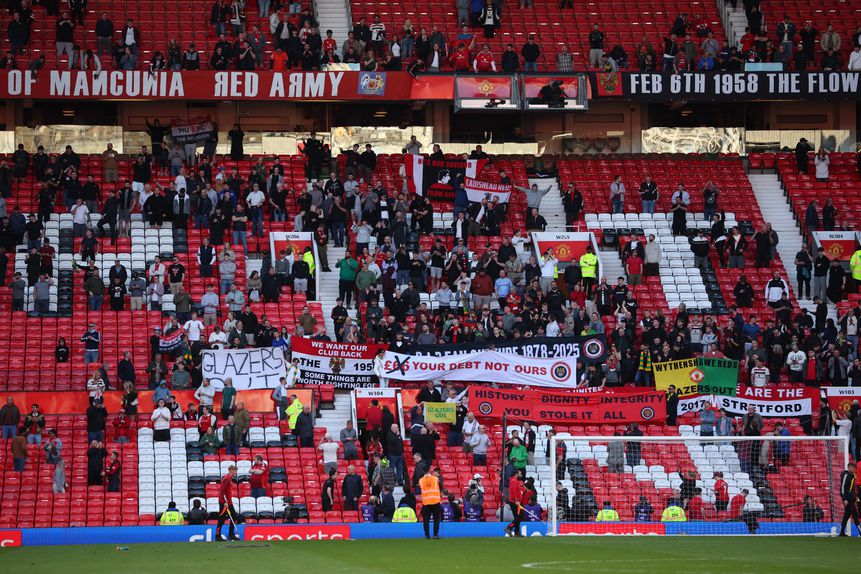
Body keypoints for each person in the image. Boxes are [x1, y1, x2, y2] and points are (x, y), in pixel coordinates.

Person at [216, 465, 240, 540]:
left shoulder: (229, 479)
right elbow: (221, 490)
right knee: (221, 519)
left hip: (229, 502)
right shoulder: (226, 478)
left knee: (234, 517)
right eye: (235, 471)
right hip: (224, 502)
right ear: (231, 470)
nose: (235, 472)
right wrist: (225, 502)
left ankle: (231, 534)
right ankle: (217, 535)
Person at [419, 466, 443, 538]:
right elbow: (440, 485)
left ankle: (427, 535)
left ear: (423, 471)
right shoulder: (435, 478)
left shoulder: (421, 480)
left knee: (426, 519)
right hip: (435, 501)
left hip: (426, 502)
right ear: (429, 470)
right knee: (436, 519)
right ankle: (435, 535)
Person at [839, 463, 860, 536]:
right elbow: (842, 487)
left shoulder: (853, 475)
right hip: (847, 499)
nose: (853, 469)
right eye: (851, 467)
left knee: (847, 515)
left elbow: (852, 487)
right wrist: (844, 499)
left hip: (851, 498)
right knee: (855, 514)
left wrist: (855, 496)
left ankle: (842, 532)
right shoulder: (846, 475)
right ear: (848, 468)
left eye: (854, 468)